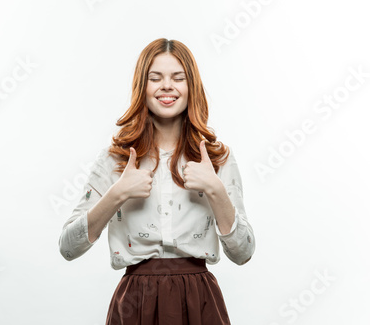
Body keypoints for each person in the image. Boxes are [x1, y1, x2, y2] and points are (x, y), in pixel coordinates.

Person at [58, 38, 256, 325]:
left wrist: (215, 190)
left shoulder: (217, 159)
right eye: (155, 78)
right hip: (135, 302)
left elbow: (244, 253)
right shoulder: (115, 160)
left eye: (178, 78)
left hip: (199, 301)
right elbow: (67, 247)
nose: (167, 86)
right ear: (143, 87)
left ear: (192, 88)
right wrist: (118, 194)